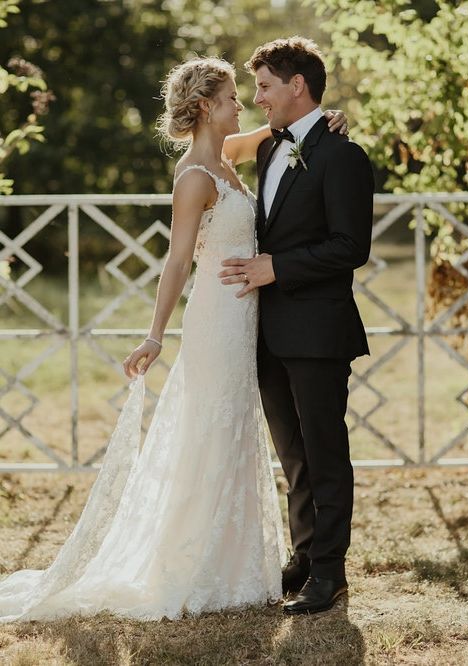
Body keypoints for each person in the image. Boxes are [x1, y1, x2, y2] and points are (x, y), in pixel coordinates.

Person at [0, 56, 349, 622]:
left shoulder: (230, 156)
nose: (244, 104)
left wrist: (329, 117)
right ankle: (192, 562)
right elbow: (178, 261)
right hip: (217, 318)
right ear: (208, 106)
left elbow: (285, 126)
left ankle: (239, 562)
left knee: (236, 431)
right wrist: (154, 336)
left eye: (248, 94)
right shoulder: (194, 177)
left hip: (251, 320)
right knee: (207, 431)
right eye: (235, 96)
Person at [218, 37, 374, 615]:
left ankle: (330, 573)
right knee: (294, 453)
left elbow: (350, 247)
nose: (257, 98)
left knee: (326, 450)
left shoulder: (343, 156)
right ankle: (306, 555)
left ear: (296, 86)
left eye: (263, 86)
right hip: (268, 329)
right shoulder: (269, 149)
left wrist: (276, 267)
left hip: (318, 328)